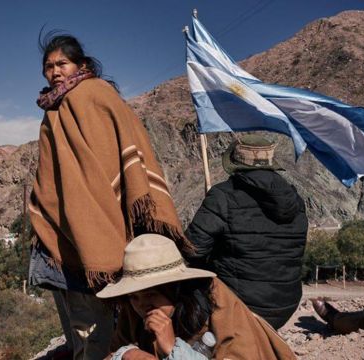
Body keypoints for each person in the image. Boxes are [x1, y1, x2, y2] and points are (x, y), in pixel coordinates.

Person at [29, 33, 191, 360]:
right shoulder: (54, 109)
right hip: (63, 237)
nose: (55, 71)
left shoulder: (92, 95)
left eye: (62, 63)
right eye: (49, 67)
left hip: (93, 232)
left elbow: (106, 165)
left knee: (93, 331)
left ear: (81, 64)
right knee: (86, 328)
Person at [97, 234, 296, 360]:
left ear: (174, 288)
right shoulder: (134, 312)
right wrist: (128, 354)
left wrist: (173, 348)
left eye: (151, 294)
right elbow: (113, 353)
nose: (142, 305)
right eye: (133, 297)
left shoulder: (215, 303)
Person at [184, 135, 308, 329]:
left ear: (235, 164)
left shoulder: (222, 196)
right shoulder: (296, 200)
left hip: (239, 305)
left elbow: (192, 250)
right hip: (285, 305)